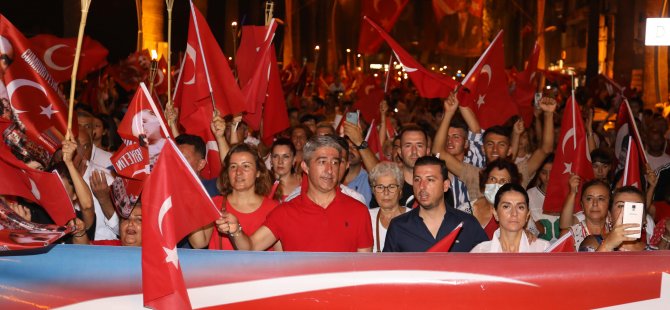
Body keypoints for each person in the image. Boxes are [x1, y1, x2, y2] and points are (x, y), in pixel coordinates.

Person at [214, 135, 373, 252]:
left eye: (335, 163)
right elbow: (249, 249)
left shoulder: (358, 211)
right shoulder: (285, 212)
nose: (330, 170)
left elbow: (365, 269)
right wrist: (236, 230)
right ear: (305, 167)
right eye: (322, 162)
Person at [384, 156, 488, 252]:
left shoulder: (467, 224)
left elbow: (487, 264)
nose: (422, 186)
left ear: (445, 185)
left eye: (430, 180)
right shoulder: (399, 226)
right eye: (417, 180)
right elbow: (386, 269)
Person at [189, 143, 279, 250]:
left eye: (246, 166)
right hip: (220, 267)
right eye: (233, 166)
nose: (238, 172)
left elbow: (280, 256)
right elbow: (198, 243)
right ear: (227, 173)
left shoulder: (274, 209)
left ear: (258, 172)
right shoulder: (214, 204)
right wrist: (191, 199)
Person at [471, 183, 550, 252]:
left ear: (527, 215)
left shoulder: (543, 249)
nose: (514, 213)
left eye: (520, 207)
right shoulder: (481, 252)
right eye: (506, 206)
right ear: (495, 213)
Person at [458, 159, 521, 239]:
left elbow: (532, 237)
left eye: (503, 181)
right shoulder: (464, 210)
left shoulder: (517, 213)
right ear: (485, 181)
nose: (496, 184)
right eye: (492, 179)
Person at [588, 186, 647, 252]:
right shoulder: (593, 243)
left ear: (644, 219)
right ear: (610, 215)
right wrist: (607, 245)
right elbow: (585, 262)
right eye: (621, 206)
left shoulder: (654, 252)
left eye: (635, 207)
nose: (628, 212)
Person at [368, 162, 410, 252]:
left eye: (391, 187)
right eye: (380, 187)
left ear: (400, 190)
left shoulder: (414, 218)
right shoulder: (366, 217)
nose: (386, 192)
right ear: (373, 191)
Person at [559, 178, 611, 250]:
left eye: (601, 199)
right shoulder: (568, 236)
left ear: (609, 204)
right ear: (582, 205)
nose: (595, 204)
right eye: (589, 199)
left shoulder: (617, 231)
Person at [72, 204, 142, 247]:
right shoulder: (111, 248)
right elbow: (85, 250)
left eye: (139, 219)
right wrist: (79, 232)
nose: (130, 223)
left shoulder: (152, 256)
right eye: (125, 219)